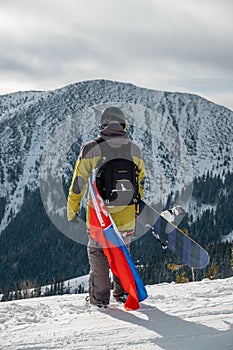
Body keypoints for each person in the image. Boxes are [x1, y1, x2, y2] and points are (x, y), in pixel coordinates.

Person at [67, 106, 145, 307]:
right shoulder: (134, 149)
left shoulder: (91, 148)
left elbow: (78, 183)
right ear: (123, 125)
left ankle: (99, 300)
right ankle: (124, 294)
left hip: (99, 218)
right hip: (126, 216)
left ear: (103, 124)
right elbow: (141, 182)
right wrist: (136, 209)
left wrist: (72, 209)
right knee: (122, 255)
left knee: (99, 256)